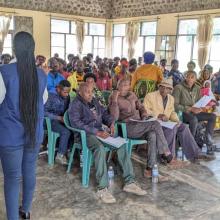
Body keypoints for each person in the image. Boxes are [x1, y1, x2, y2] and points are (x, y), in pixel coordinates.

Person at [68, 82, 147, 204]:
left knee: (121, 144)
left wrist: (111, 122)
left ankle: (129, 182)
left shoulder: (94, 101)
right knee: (99, 149)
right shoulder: (75, 104)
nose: (90, 94)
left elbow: (104, 113)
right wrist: (96, 132)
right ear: (80, 92)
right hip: (86, 135)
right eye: (87, 92)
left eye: (91, 91)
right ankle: (102, 188)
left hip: (100, 132)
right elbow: (76, 123)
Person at [0, 32, 47, 220]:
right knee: (29, 172)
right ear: (33, 48)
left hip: (10, 135)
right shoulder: (41, 75)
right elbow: (42, 101)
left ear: (14, 49)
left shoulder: (4, 72)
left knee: (12, 178)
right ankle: (26, 211)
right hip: (33, 133)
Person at [109, 78, 174, 178]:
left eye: (126, 85)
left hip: (139, 124)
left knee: (152, 134)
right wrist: (114, 100)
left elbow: (141, 107)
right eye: (121, 84)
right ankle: (168, 155)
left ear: (129, 86)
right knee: (155, 124)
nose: (123, 87)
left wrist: (144, 116)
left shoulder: (132, 95)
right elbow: (115, 117)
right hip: (127, 127)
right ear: (117, 86)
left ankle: (149, 169)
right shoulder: (114, 97)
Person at [143, 78, 212, 161]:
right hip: (154, 123)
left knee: (183, 127)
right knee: (172, 128)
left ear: (170, 90)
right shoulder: (150, 96)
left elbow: (172, 112)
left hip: (166, 122)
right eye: (162, 87)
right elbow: (145, 110)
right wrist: (158, 115)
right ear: (159, 87)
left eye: (167, 88)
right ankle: (169, 157)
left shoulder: (171, 98)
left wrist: (177, 121)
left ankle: (195, 153)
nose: (164, 89)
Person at [173, 71, 217, 154]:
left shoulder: (197, 88)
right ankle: (190, 145)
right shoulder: (178, 87)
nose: (189, 79)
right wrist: (190, 108)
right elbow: (175, 105)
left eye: (192, 77)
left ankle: (209, 143)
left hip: (194, 112)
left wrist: (203, 107)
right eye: (188, 76)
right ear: (185, 77)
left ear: (195, 79)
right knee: (194, 119)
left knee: (212, 116)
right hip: (182, 113)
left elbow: (199, 102)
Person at [45, 80, 71, 165]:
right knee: (65, 132)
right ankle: (60, 155)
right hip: (50, 121)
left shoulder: (67, 97)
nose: (67, 94)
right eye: (65, 92)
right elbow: (43, 112)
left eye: (68, 92)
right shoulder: (50, 96)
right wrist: (58, 118)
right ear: (59, 89)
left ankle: (68, 150)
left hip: (62, 119)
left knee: (73, 128)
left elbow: (67, 109)